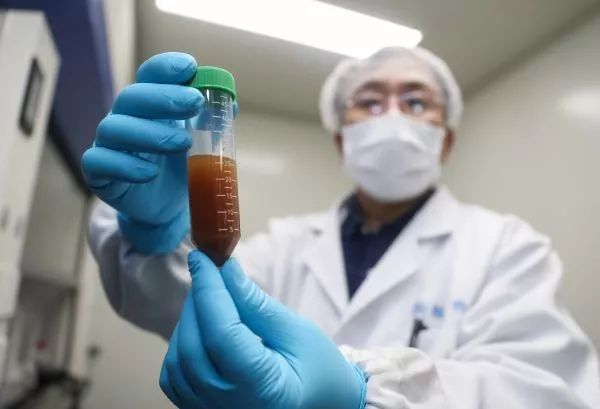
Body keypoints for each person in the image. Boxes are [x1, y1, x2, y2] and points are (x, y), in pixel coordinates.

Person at [82, 48, 600, 409]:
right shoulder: (285, 245)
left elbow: (549, 392)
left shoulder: (506, 247)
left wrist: (363, 394)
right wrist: (155, 234)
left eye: (416, 101)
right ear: (341, 140)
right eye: (369, 101)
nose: (392, 116)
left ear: (444, 140)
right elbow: (192, 303)